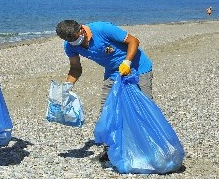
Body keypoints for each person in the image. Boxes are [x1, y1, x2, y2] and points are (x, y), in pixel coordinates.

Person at [55, 20, 154, 161]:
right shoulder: (70, 46)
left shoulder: (102, 29)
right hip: (113, 73)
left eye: (76, 38)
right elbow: (75, 68)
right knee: (107, 112)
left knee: (144, 109)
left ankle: (151, 148)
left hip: (138, 68)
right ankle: (110, 151)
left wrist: (127, 62)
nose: (75, 42)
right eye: (69, 40)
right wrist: (66, 86)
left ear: (81, 29)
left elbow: (134, 41)